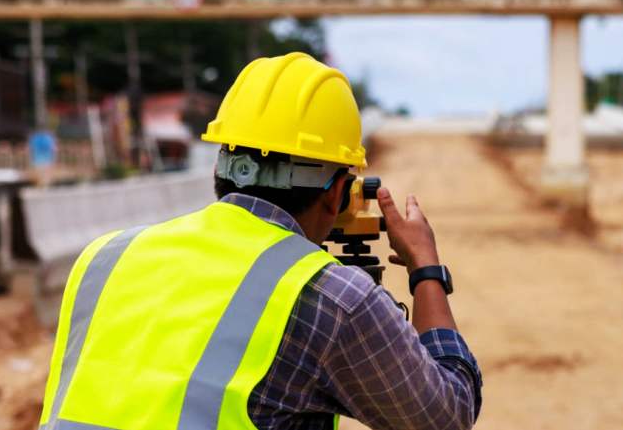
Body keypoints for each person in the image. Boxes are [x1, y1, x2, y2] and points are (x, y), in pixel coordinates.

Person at [38, 53, 481, 430]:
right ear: (337, 194)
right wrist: (425, 269)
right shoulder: (333, 298)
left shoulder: (104, 257)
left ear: (220, 168)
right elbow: (445, 416)